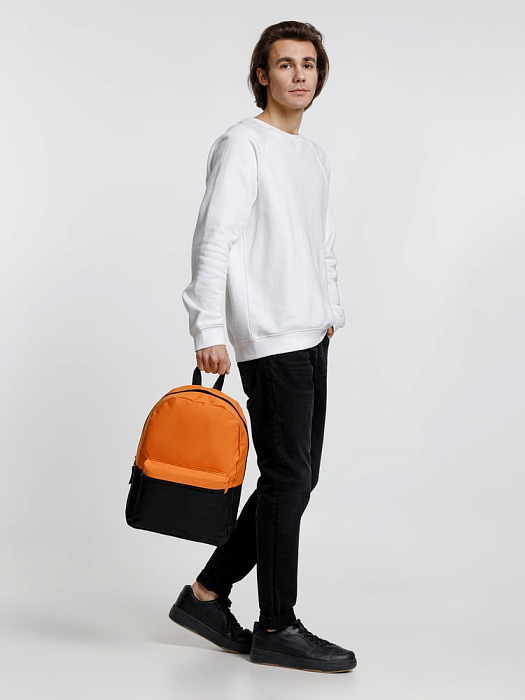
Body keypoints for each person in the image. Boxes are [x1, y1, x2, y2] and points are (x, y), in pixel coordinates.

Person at [170, 20, 357, 673]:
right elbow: (213, 240)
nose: (299, 75)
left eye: (309, 64)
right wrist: (208, 330)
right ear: (262, 74)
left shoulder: (313, 156)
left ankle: (205, 596)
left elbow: (322, 243)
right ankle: (276, 625)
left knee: (295, 478)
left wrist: (330, 312)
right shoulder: (242, 144)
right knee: (288, 477)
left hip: (310, 334)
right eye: (285, 64)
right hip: (269, 335)